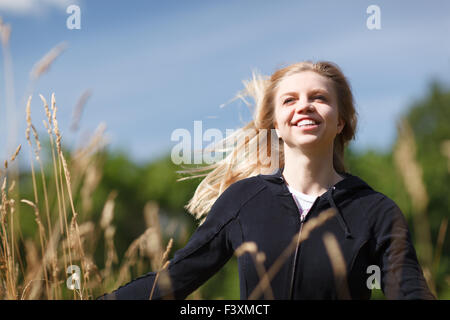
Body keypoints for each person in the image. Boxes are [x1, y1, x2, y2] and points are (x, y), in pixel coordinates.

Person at [97, 61, 436, 300]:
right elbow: (174, 281)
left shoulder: (376, 211)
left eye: (319, 98)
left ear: (341, 122)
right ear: (275, 123)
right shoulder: (243, 200)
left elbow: (408, 291)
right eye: (290, 100)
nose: (305, 106)